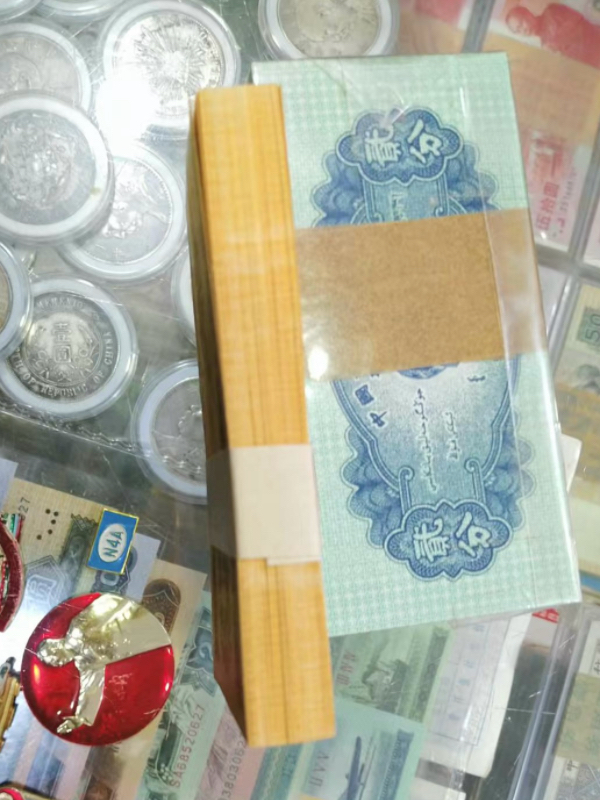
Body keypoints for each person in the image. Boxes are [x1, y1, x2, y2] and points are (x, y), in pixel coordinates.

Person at [37, 594, 170, 734]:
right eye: (54, 664)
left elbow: (105, 604)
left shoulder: (77, 627)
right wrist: (79, 718)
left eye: (53, 659)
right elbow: (90, 689)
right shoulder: (84, 663)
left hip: (137, 615)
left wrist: (128, 602)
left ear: (55, 646)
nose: (58, 664)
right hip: (145, 639)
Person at [506, 3, 600, 68]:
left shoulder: (552, 12)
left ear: (528, 14)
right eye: (518, 30)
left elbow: (580, 23)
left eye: (521, 23)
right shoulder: (546, 48)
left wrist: (556, 44)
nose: (523, 30)